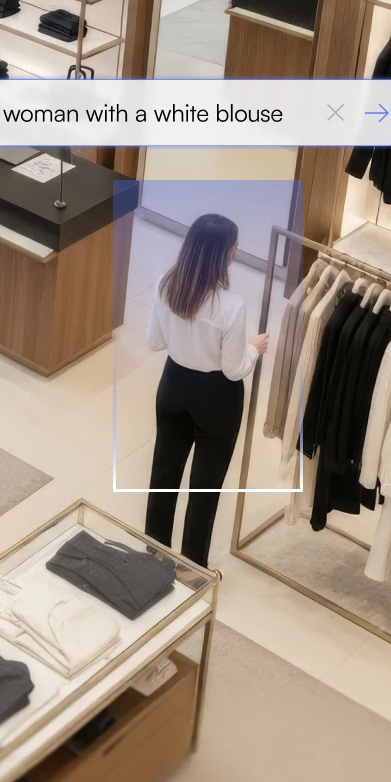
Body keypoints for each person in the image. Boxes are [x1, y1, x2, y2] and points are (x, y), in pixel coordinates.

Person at [145, 213, 269, 567]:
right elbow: (234, 369)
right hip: (217, 399)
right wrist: (253, 349)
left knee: (163, 475)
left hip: (172, 387)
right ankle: (192, 569)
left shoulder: (165, 287)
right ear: (223, 254)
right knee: (204, 489)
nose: (236, 251)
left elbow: (155, 342)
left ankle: (153, 557)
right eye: (234, 246)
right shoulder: (231, 307)